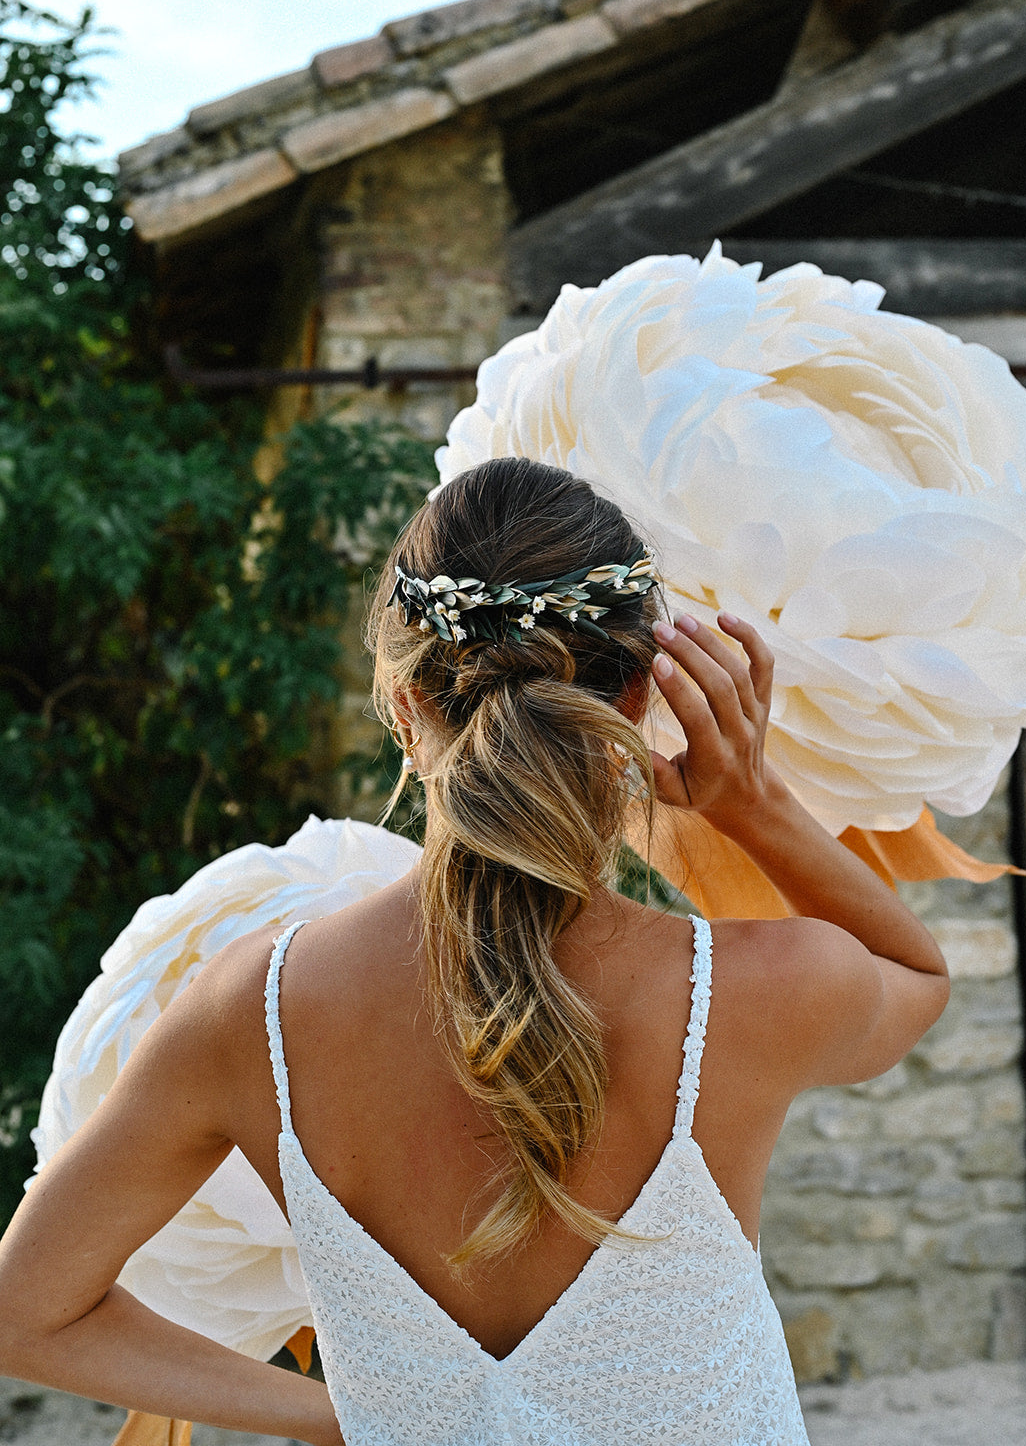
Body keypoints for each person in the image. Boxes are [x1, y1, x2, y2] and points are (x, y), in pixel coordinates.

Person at [0, 457, 949, 1445]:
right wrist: (752, 805)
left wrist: (350, 1416)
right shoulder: (757, 990)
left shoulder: (258, 1014)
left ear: (405, 711)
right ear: (635, 702)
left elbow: (25, 1313)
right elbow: (920, 978)